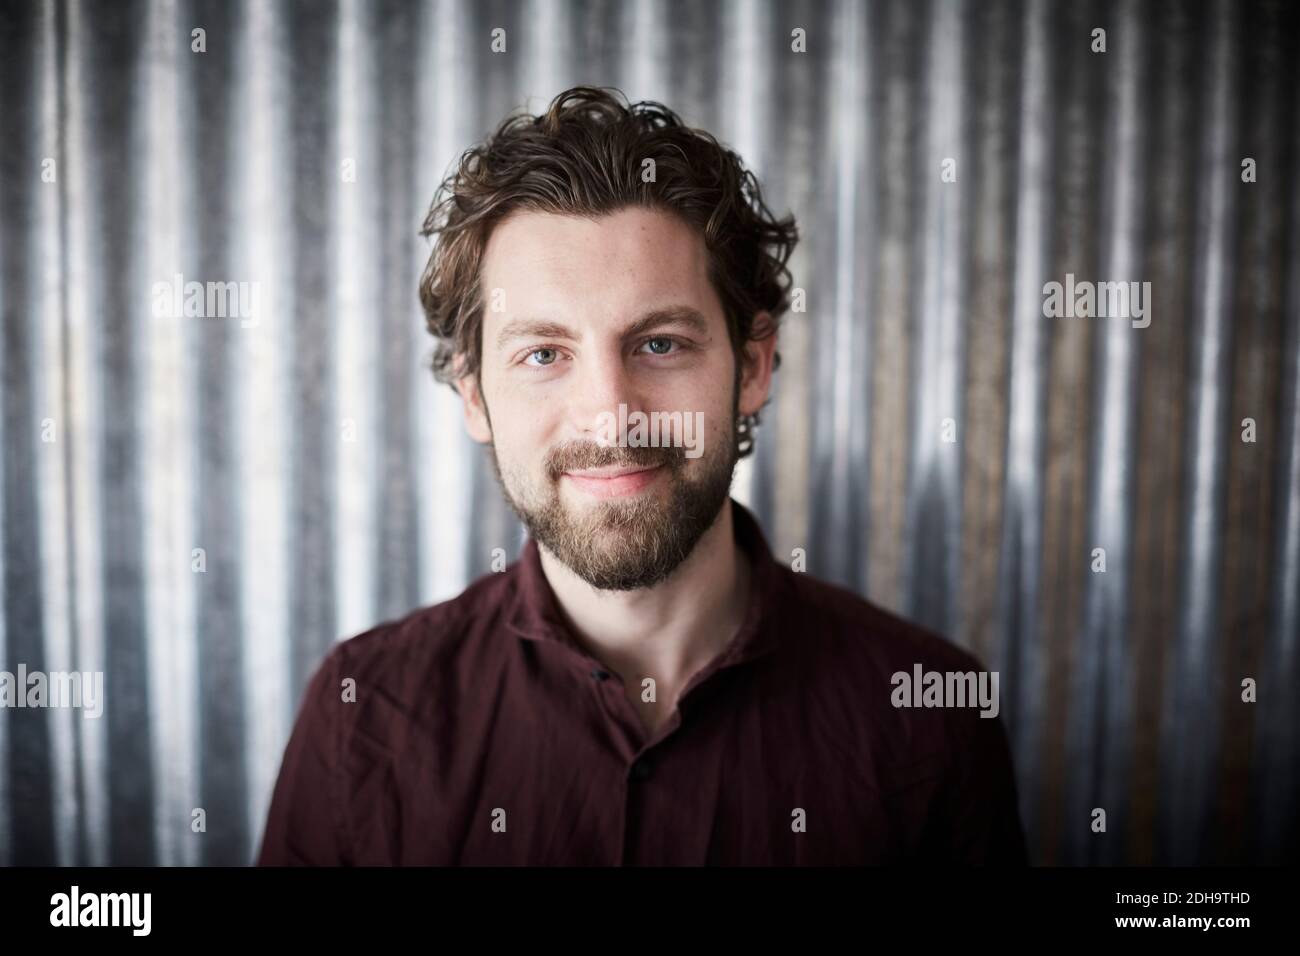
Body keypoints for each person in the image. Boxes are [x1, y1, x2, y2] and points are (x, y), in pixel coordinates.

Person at [257, 86, 1027, 866]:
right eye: (544, 354)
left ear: (753, 366)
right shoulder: (363, 719)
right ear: (475, 397)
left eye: (659, 343)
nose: (610, 415)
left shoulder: (930, 718)